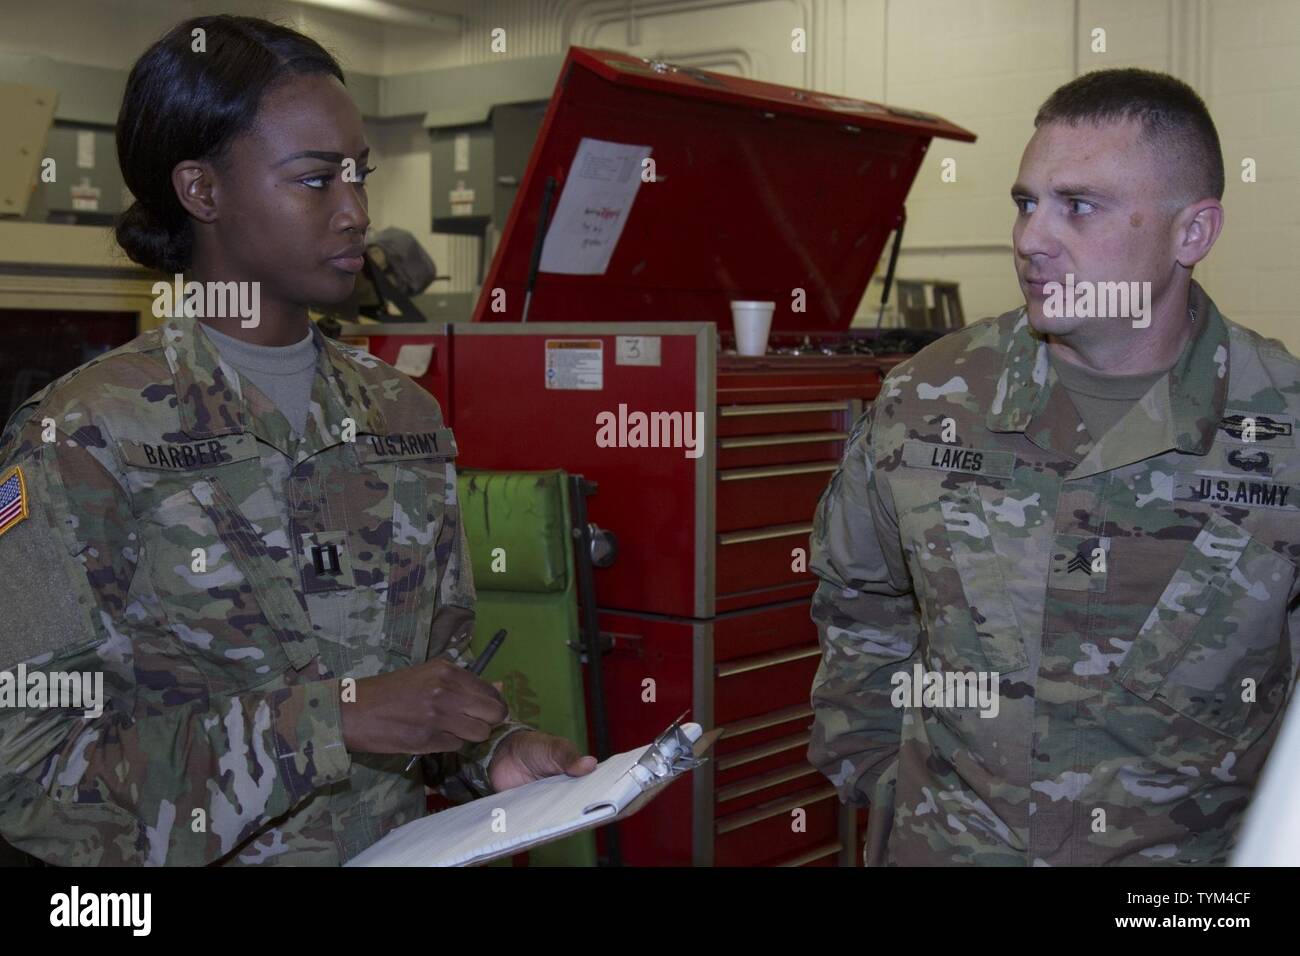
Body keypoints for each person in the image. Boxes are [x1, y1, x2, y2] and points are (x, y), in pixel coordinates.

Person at [0, 14, 594, 866]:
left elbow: (433, 682)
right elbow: (29, 779)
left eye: (360, 177)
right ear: (202, 192)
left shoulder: (403, 418)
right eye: (316, 181)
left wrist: (493, 750)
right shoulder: (83, 439)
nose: (356, 212)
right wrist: (330, 720)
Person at [808, 68, 1299, 865]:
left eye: (1079, 206)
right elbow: (859, 603)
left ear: (1192, 233)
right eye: (1026, 203)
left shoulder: (1283, 428)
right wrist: (882, 782)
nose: (1031, 239)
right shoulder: (929, 397)